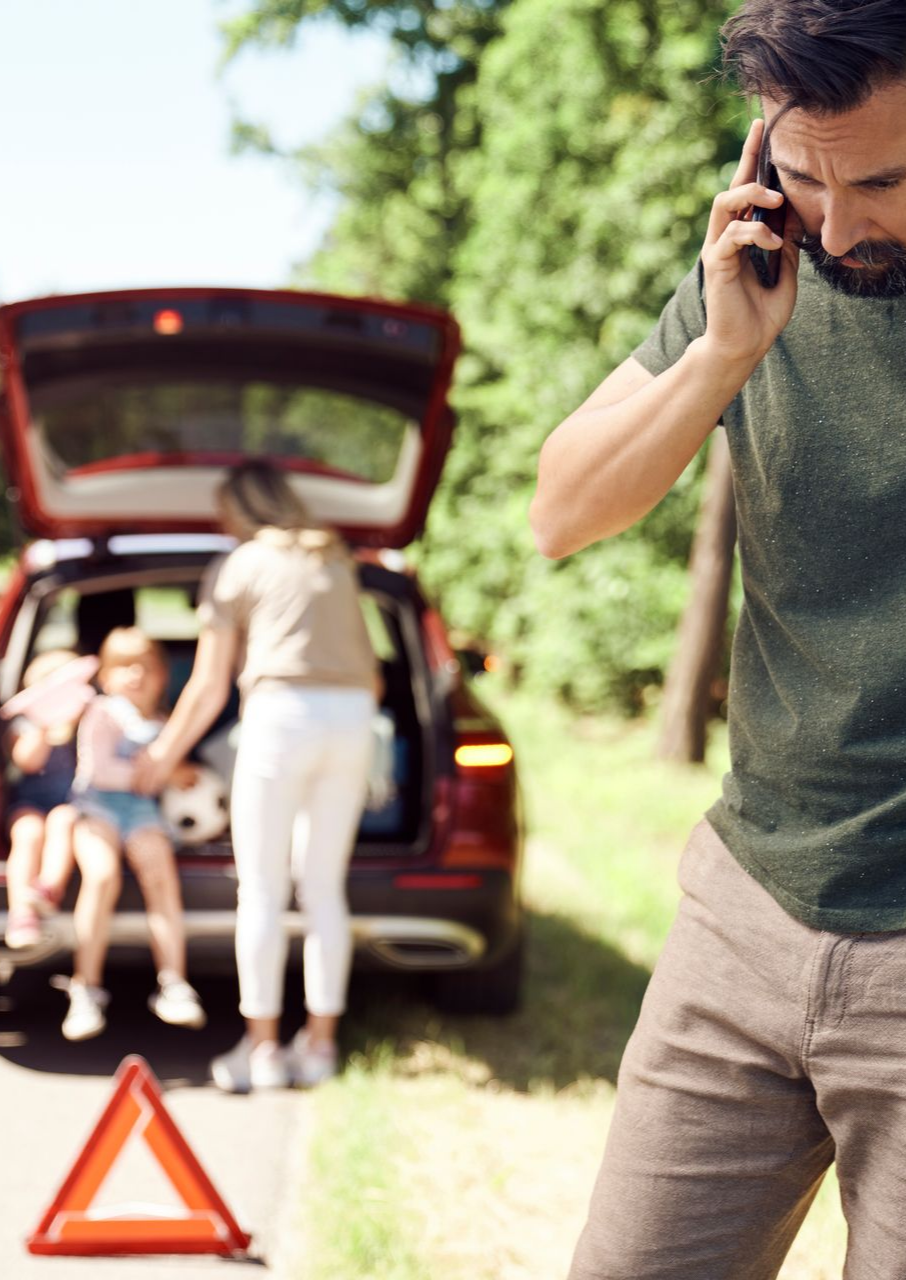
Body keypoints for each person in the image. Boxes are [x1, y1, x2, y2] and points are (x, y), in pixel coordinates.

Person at [530, 3, 906, 1275]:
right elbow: (560, 511)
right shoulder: (753, 279)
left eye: (884, 182)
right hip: (745, 911)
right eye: (802, 176)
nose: (841, 227)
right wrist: (720, 357)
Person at [133, 460, 378, 1091]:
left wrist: (163, 752)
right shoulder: (335, 558)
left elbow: (211, 685)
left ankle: (263, 1052)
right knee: (323, 888)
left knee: (263, 889)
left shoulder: (241, 564)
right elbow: (374, 673)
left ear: (241, 509)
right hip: (353, 720)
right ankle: (319, 1049)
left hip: (283, 716)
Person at [62, 626, 207, 1041]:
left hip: (143, 814)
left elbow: (179, 775)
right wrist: (153, 775)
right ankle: (85, 987)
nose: (135, 676)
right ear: (105, 676)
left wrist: (174, 774)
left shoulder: (164, 723)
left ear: (163, 675)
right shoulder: (102, 713)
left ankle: (174, 984)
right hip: (95, 809)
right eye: (124, 667)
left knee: (160, 875)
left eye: (145, 667)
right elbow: (99, 770)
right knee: (102, 875)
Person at [4, 650, 83, 949]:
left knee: (63, 821)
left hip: (71, 803)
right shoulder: (25, 724)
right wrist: (44, 723)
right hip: (30, 803)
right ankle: (21, 914)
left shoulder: (87, 718)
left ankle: (48, 889)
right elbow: (27, 761)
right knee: (28, 833)